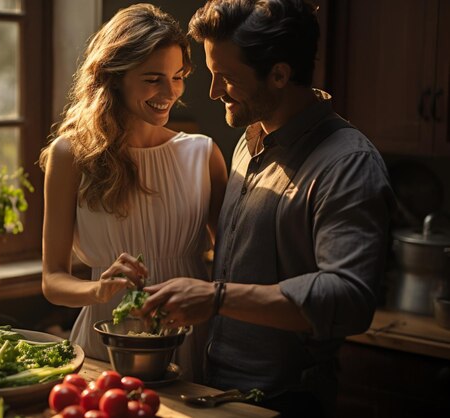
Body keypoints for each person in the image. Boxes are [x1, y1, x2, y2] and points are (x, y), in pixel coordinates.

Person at [137, 0, 395, 416]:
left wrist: (216, 297)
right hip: (213, 387)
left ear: (279, 74)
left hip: (286, 402)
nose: (213, 92)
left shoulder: (347, 164)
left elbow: (349, 298)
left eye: (227, 78)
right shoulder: (249, 139)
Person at [38, 3, 228, 382]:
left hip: (186, 341)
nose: (169, 92)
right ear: (115, 77)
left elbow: (232, 266)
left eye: (177, 77)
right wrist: (99, 289)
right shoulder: (70, 155)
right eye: (153, 78)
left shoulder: (202, 154)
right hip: (106, 344)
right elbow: (52, 280)